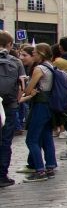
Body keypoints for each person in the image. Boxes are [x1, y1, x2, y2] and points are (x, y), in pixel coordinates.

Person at [18, 44, 58, 182]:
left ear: (41, 54)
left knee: (32, 139)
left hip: (40, 105)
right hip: (49, 105)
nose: (33, 54)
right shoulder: (51, 66)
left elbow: (28, 91)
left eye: (34, 52)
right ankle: (50, 167)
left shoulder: (39, 68)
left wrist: (26, 86)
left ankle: (39, 170)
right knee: (46, 137)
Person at [0, 31, 25, 188]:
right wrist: (17, 101)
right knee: (5, 141)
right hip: (9, 105)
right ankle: (2, 176)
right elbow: (22, 86)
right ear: (9, 45)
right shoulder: (16, 61)